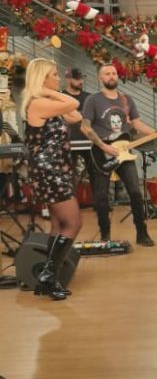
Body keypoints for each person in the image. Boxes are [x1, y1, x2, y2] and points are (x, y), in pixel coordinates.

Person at [80, 64, 157, 245]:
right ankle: (105, 235)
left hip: (124, 152)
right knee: (102, 196)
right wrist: (103, 146)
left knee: (136, 192)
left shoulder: (126, 100)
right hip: (101, 152)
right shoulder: (93, 100)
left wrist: (156, 132)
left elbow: (136, 124)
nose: (111, 76)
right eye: (107, 74)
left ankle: (142, 233)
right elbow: (85, 127)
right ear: (100, 78)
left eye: (114, 73)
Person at [22, 58, 82, 300]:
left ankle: (49, 278)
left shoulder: (47, 103)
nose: (59, 78)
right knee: (73, 223)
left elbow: (75, 116)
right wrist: (49, 92)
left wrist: (52, 93)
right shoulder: (38, 103)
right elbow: (75, 102)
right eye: (54, 74)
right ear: (42, 78)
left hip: (55, 169)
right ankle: (48, 275)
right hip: (50, 171)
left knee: (58, 224)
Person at [62, 68, 95, 187]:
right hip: (68, 142)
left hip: (89, 140)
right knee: (70, 177)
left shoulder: (89, 97)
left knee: (95, 174)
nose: (81, 81)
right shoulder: (61, 96)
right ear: (68, 79)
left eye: (82, 78)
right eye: (77, 79)